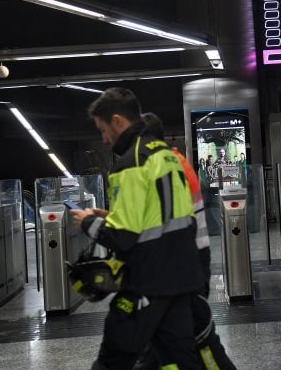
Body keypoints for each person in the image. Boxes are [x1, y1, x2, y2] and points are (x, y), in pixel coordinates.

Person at [71, 87, 203, 370]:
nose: (104, 139)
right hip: (180, 277)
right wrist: (111, 213)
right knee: (180, 360)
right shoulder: (165, 155)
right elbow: (165, 217)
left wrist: (87, 222)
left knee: (113, 359)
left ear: (118, 121)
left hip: (146, 281)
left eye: (103, 130)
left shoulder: (129, 165)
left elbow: (123, 237)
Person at [139, 113, 236, 370]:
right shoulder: (175, 161)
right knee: (165, 344)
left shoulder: (168, 167)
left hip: (184, 264)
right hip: (190, 260)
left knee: (200, 341)